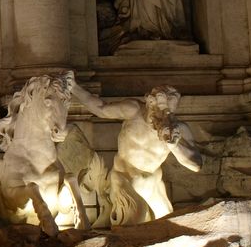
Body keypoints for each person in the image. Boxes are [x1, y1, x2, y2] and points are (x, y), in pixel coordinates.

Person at [72, 82, 202, 225]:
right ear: (149, 103)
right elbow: (101, 109)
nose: (165, 116)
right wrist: (73, 87)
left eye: (170, 113)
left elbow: (195, 165)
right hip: (124, 178)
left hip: (152, 183)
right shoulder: (133, 110)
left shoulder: (178, 129)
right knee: (135, 220)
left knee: (168, 224)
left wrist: (174, 145)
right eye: (160, 111)